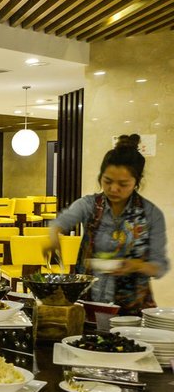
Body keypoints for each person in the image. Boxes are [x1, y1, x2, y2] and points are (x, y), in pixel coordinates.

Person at [49, 134, 169, 315]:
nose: (113, 189)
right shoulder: (89, 205)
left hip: (132, 309)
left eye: (123, 184)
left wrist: (136, 265)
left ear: (136, 182)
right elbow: (60, 223)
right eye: (108, 181)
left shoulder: (151, 214)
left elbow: (159, 266)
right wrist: (53, 236)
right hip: (88, 301)